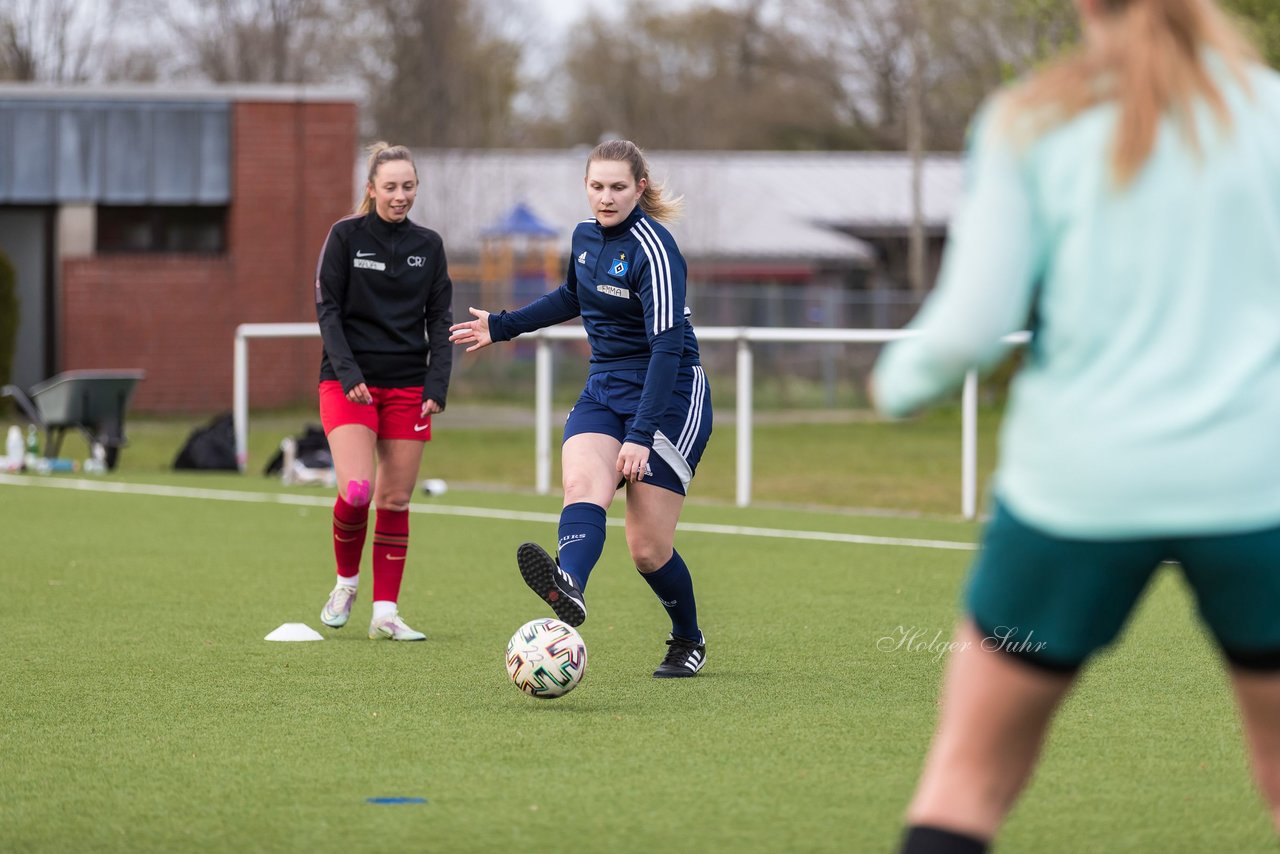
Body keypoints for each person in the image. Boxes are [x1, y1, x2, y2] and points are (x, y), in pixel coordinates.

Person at [870, 0, 1280, 850]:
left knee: (966, 784)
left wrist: (897, 386)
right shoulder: (1270, 111)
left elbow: (968, 328)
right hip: (1260, 492)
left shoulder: (1030, 123)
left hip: (1076, 494)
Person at [449, 139, 713, 678]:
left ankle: (688, 637)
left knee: (646, 547)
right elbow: (572, 296)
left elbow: (666, 349)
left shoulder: (656, 250)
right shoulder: (585, 237)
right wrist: (502, 326)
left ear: (640, 187)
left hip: (669, 398)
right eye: (597, 186)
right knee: (580, 489)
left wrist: (640, 436)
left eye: (618, 187)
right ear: (585, 187)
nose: (606, 197)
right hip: (605, 387)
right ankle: (569, 586)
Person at [313, 142, 453, 641]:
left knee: (394, 500)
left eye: (408, 186)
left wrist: (438, 381)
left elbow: (439, 318)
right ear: (371, 189)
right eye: (390, 186)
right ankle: (346, 584)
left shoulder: (429, 246)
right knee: (357, 491)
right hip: (348, 383)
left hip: (409, 386)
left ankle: (385, 613)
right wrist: (348, 372)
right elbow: (328, 309)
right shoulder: (345, 237)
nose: (400, 196)